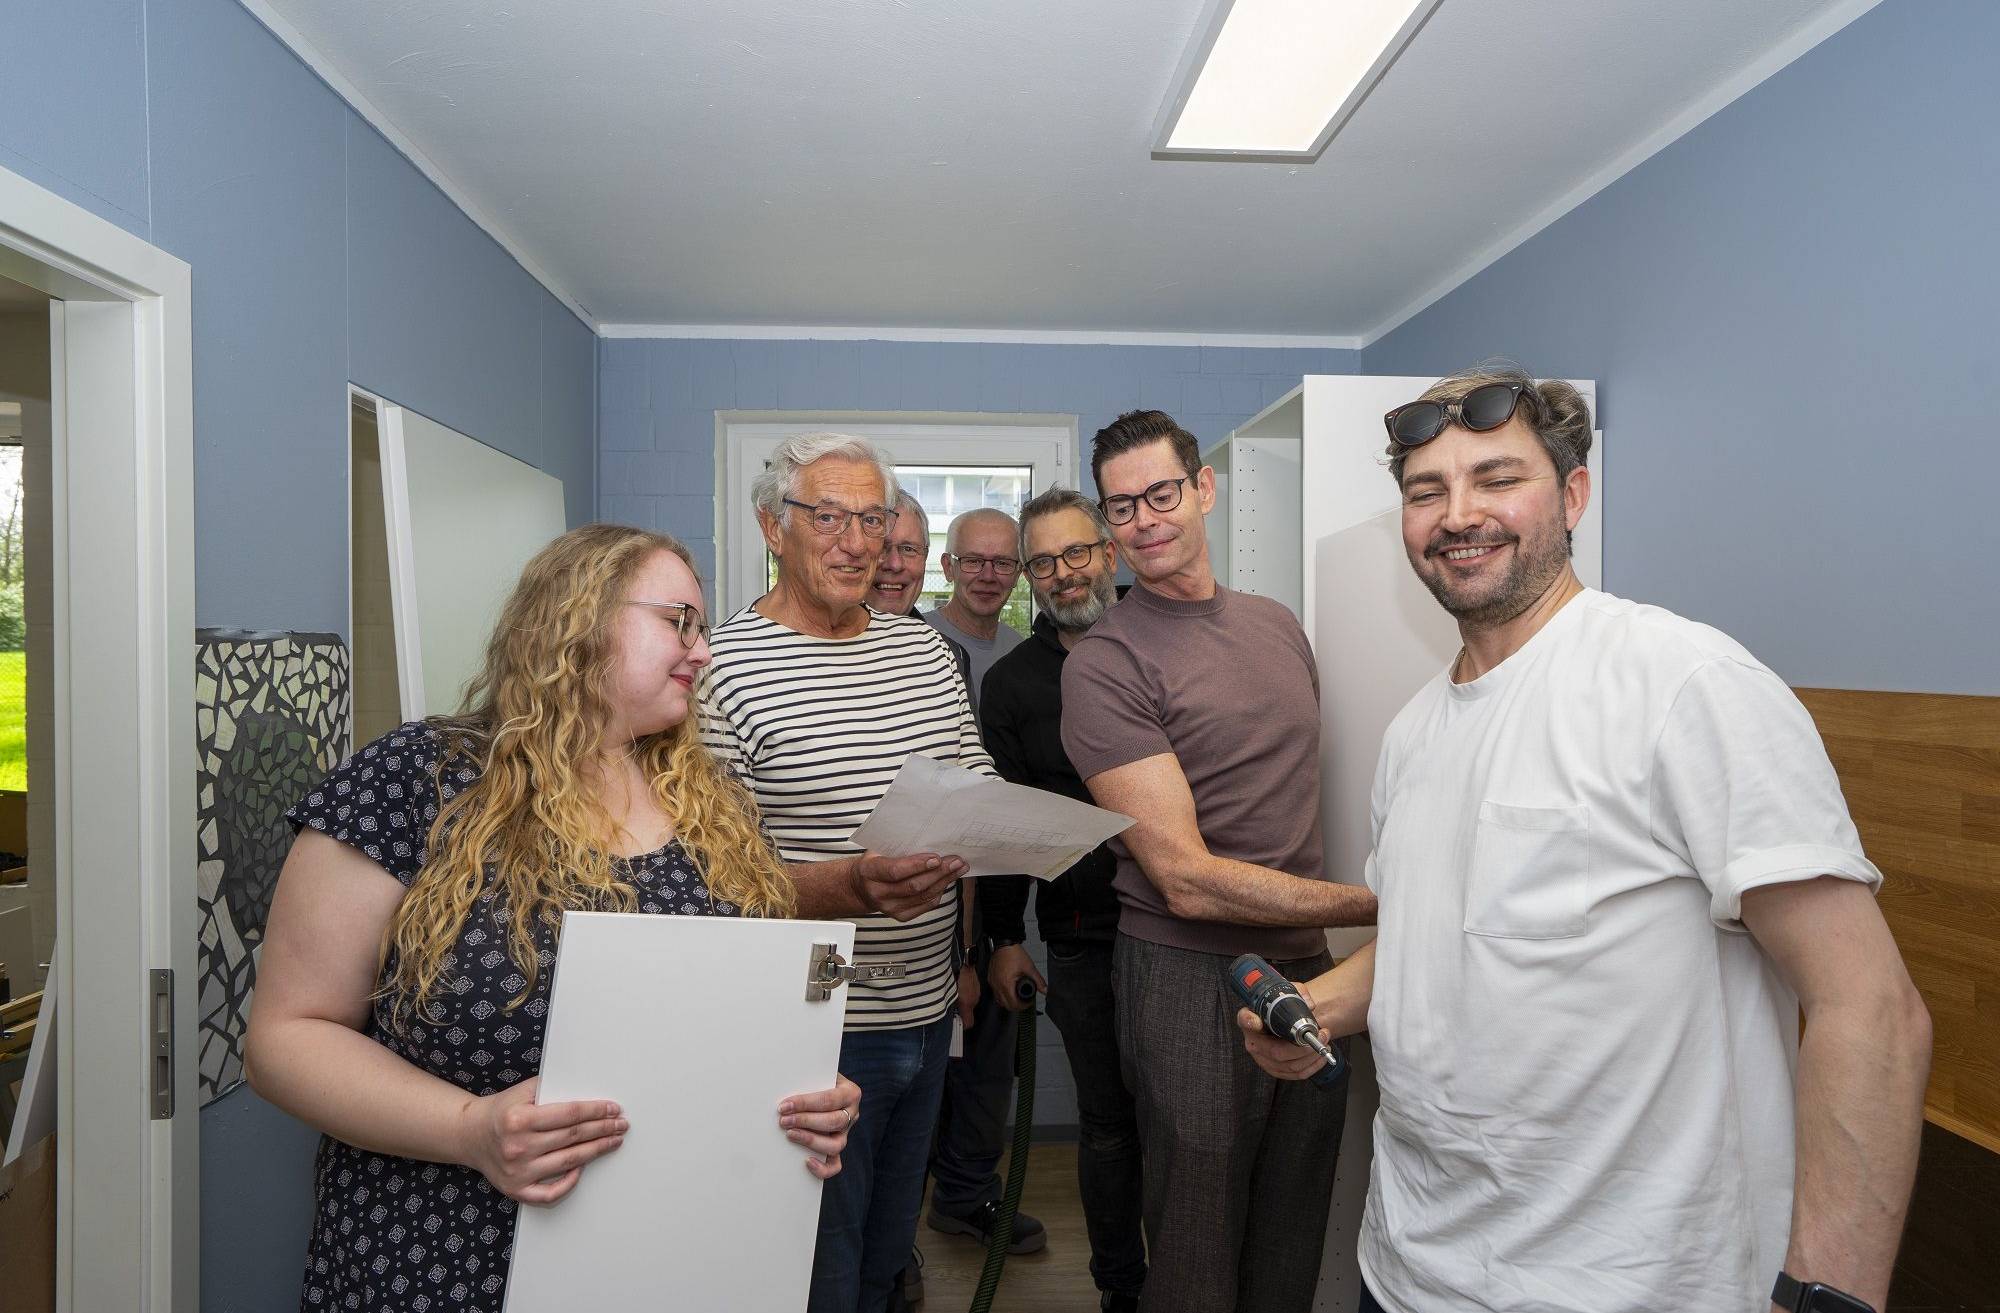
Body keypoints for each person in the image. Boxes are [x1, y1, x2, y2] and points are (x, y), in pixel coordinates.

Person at [1238, 366, 1932, 1313]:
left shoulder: (1683, 685)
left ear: (1572, 496)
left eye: (1496, 478)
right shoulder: (1413, 734)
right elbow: (1437, 942)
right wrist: (1319, 1006)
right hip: (1406, 1269)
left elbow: (1871, 1010)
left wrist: (1827, 1297)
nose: (1458, 514)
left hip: (1628, 1286)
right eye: (1427, 491)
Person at [244, 524, 860, 1313]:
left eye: (701, 627)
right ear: (580, 619)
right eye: (680, 621)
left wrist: (803, 1088)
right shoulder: (416, 781)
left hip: (671, 1259)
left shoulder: (718, 808)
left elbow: (744, 1019)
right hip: (439, 1257)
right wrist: (470, 1128)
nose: (703, 651)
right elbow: (284, 1038)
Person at [1062, 410, 1378, 1313]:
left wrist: (1336, 927)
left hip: (1307, 962)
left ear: (1203, 489)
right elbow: (1185, 880)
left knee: (1293, 1224)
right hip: (1184, 976)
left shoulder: (1277, 625)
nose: (1145, 519)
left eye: (1161, 493)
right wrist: (1379, 903)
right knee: (1197, 1247)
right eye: (1122, 506)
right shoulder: (1105, 663)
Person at [699, 432, 994, 1313]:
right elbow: (715, 880)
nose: (858, 542)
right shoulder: (721, 668)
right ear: (772, 526)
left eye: (873, 518)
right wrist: (850, 887)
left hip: (927, 1013)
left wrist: (1004, 828)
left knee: (888, 1259)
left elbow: (972, 776)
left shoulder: (923, 652)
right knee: (816, 1270)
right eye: (828, 516)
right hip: (812, 1024)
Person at [982, 486, 1143, 1313]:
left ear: (1109, 552)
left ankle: (1188, 1281)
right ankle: (1121, 1289)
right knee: (1107, 1127)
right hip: (1081, 940)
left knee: (1186, 1125)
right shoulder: (1012, 683)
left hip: (1181, 933)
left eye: (1077, 551)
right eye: (1043, 561)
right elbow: (1005, 824)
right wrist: (1004, 936)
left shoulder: (1161, 644)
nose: (1063, 572)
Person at [923, 507, 1024, 714]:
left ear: (1018, 573)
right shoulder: (917, 640)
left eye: (1002, 563)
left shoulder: (1018, 650)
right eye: (973, 561)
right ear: (948, 567)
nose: (988, 576)